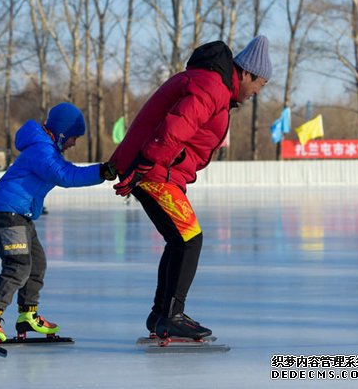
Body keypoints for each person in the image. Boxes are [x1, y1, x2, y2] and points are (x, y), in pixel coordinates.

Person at [108, 36, 272, 339]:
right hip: (155, 171)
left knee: (180, 240)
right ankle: (170, 315)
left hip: (158, 169)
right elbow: (175, 126)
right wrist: (144, 165)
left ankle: (162, 314)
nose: (257, 93)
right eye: (260, 84)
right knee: (188, 238)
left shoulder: (212, 84)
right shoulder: (212, 86)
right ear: (246, 73)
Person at [0, 102, 116, 344]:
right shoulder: (41, 150)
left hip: (20, 214)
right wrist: (102, 172)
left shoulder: (47, 150)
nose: (73, 143)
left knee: (36, 263)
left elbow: (67, 170)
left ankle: (28, 314)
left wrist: (103, 171)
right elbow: (66, 176)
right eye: (73, 138)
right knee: (18, 265)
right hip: (8, 214)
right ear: (61, 133)